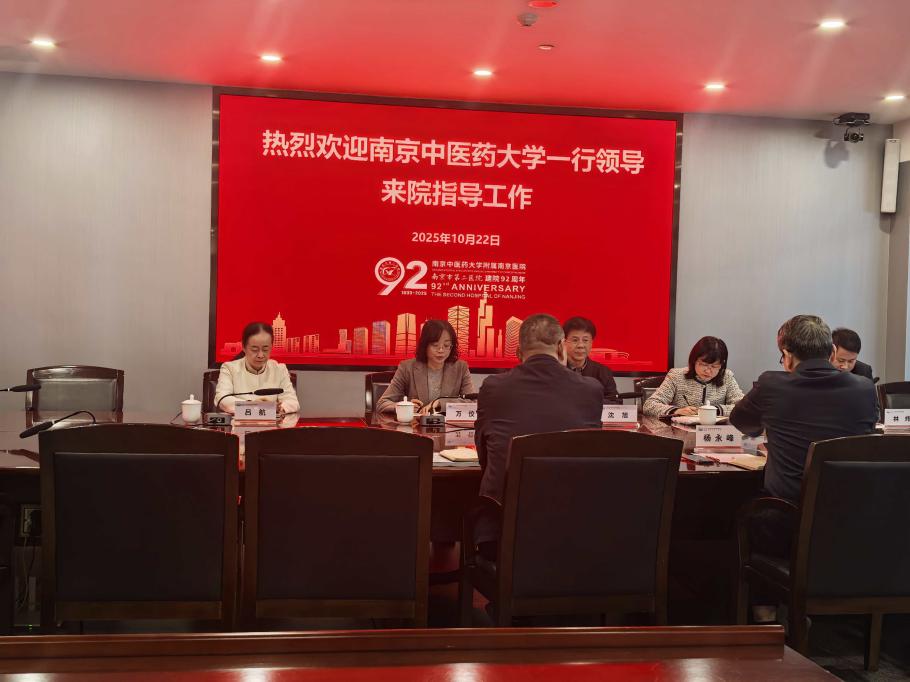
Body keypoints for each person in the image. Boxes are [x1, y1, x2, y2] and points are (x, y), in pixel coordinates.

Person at [730, 315, 877, 556]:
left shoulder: (771, 384)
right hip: (851, 524)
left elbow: (742, 422)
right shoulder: (864, 388)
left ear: (787, 356)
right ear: (832, 351)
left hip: (788, 526)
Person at [473, 314, 603, 550]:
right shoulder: (591, 389)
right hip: (572, 525)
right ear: (561, 348)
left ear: (518, 352)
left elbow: (485, 454)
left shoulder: (494, 387)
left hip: (504, 528)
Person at [376, 319, 474, 415]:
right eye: (435, 345)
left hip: (448, 425)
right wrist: (405, 406)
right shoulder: (407, 368)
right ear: (425, 345)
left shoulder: (461, 368)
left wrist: (440, 403)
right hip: (415, 425)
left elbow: (472, 402)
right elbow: (382, 404)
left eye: (446, 345)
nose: (441, 350)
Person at [643, 336, 744, 417]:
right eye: (703, 364)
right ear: (694, 360)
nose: (708, 371)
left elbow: (743, 407)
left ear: (722, 365)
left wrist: (715, 410)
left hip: (715, 433)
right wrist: (677, 411)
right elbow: (649, 405)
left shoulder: (727, 377)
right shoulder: (676, 376)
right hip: (680, 433)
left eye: (714, 366)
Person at [214, 321, 299, 415]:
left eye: (265, 349)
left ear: (271, 347)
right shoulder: (229, 368)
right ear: (243, 347)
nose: (260, 355)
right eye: (254, 349)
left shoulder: (279, 369)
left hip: (272, 423)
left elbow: (292, 402)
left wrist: (279, 408)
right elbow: (222, 399)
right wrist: (254, 405)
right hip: (238, 422)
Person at [562, 316, 621, 404]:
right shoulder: (556, 370)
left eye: (585, 340)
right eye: (575, 340)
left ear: (591, 343)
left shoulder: (603, 372)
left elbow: (615, 402)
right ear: (564, 342)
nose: (580, 345)